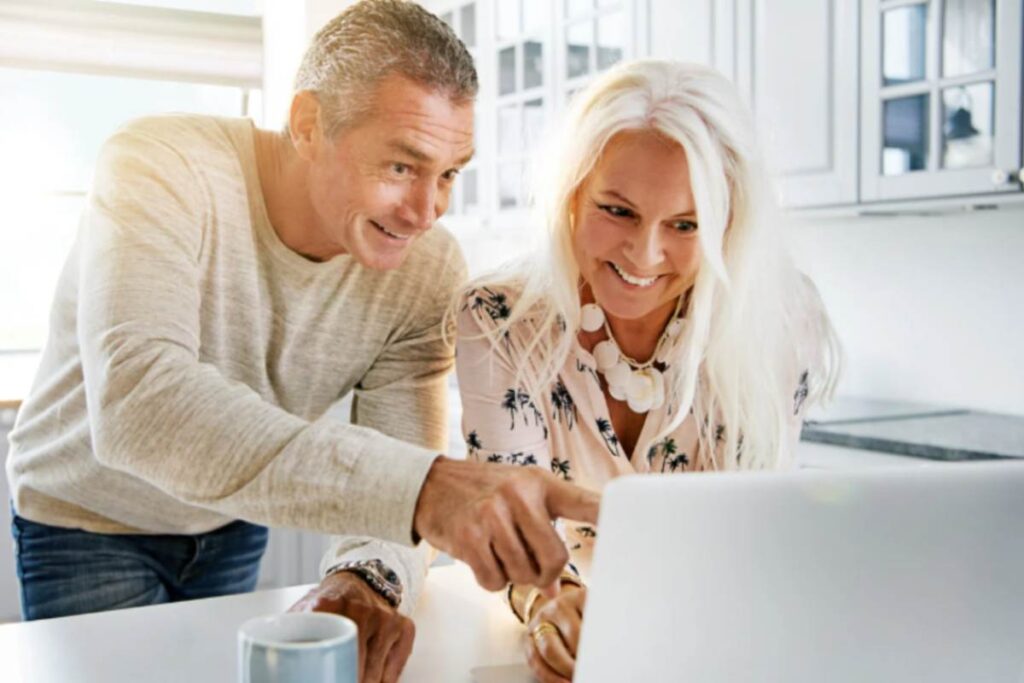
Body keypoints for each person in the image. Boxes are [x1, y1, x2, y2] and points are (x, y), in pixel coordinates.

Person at [5, 2, 597, 682]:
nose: (427, 210)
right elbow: (139, 405)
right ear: (309, 123)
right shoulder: (160, 167)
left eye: (450, 172)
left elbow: (402, 449)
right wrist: (427, 490)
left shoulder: (426, 266)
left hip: (228, 520)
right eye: (402, 166)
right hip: (88, 520)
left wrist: (366, 575)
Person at [455, 59, 841, 683]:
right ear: (572, 193)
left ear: (728, 225)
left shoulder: (779, 321)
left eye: (685, 225)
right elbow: (510, 521)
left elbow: (749, 534)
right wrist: (549, 608)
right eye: (618, 211)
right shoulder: (499, 318)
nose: (645, 253)